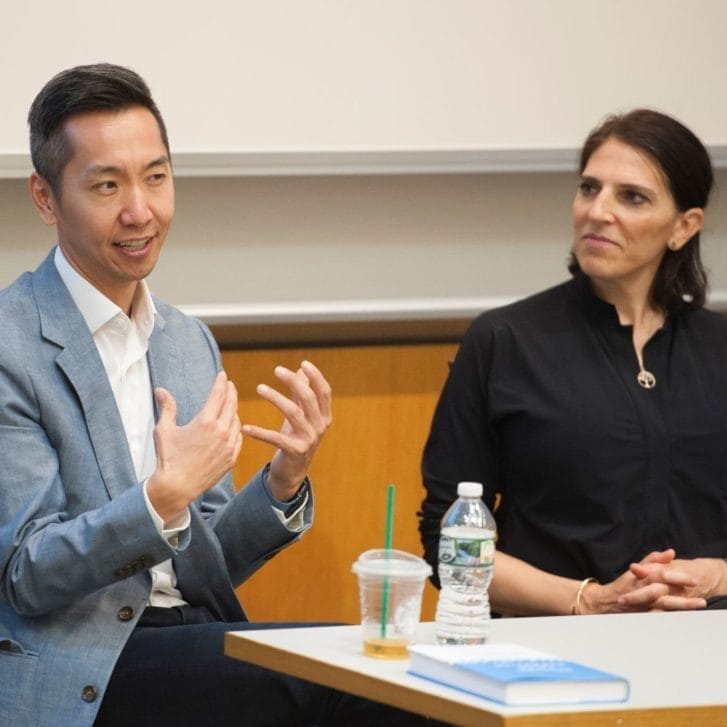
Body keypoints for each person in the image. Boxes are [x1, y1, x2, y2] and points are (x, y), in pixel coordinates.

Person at [0, 63, 431, 726]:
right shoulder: (12, 343)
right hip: (83, 659)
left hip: (191, 631)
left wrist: (283, 481)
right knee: (364, 679)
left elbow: (211, 560)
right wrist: (160, 498)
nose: (140, 210)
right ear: (45, 197)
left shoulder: (183, 339)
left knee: (401, 670)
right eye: (106, 185)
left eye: (156, 176)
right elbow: (27, 572)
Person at [419, 108, 727, 618]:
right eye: (589, 189)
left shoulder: (720, 349)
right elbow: (447, 540)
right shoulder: (505, 340)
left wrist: (715, 574)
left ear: (683, 227)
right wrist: (586, 601)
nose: (598, 212)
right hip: (548, 645)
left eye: (631, 197)